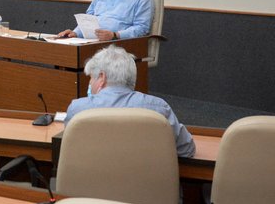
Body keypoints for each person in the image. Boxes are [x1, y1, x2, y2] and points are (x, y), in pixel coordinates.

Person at [65, 45, 196, 157]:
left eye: (91, 78)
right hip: (145, 186)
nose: (90, 83)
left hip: (90, 184)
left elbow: (68, 149)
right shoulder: (159, 109)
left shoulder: (78, 109)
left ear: (102, 77)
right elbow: (186, 149)